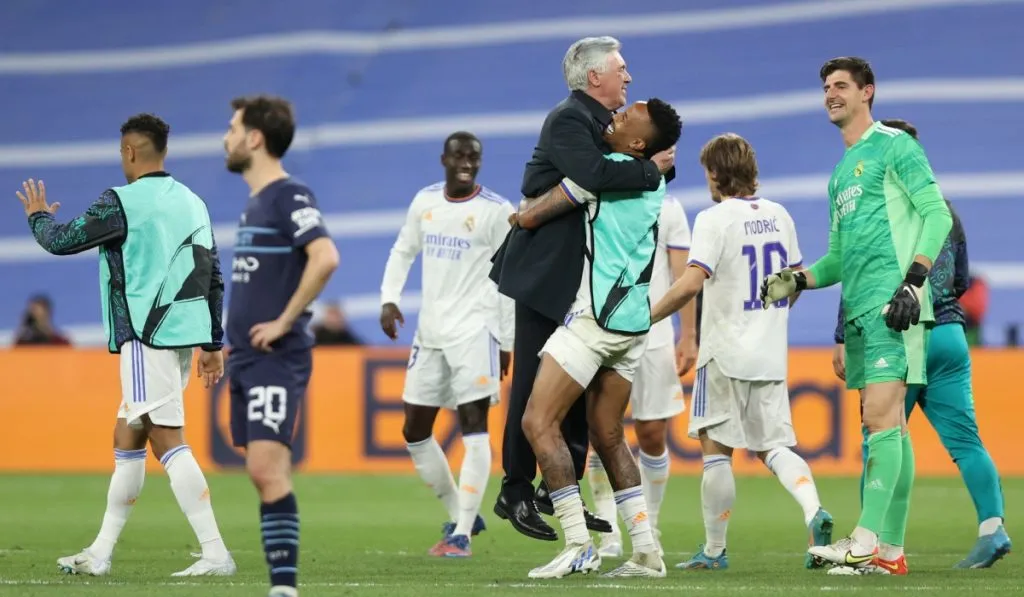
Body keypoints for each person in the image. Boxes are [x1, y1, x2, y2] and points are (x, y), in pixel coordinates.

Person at [761, 57, 953, 571]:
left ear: (867, 92)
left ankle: (864, 540)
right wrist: (801, 279)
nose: (831, 93)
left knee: (881, 420)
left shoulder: (895, 145)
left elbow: (937, 214)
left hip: (896, 306)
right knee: (889, 429)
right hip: (861, 311)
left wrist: (913, 281)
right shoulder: (840, 174)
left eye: (841, 85)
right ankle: (889, 552)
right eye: (826, 86)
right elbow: (840, 258)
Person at [22, 114, 234, 577]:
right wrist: (212, 343)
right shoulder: (192, 202)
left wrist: (38, 216)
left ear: (130, 152)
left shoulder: (120, 202)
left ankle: (215, 552)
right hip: (180, 337)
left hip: (144, 336)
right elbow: (213, 274)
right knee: (127, 436)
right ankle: (100, 552)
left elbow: (62, 241)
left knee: (167, 440)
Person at [489, 35, 675, 543]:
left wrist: (653, 162)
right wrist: (649, 167)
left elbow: (648, 162)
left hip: (577, 276)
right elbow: (595, 173)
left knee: (575, 385)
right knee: (533, 383)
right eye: (621, 69)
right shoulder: (569, 119)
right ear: (595, 77)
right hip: (543, 270)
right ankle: (514, 489)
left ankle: (558, 486)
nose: (628, 77)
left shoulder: (606, 123)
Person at [832, 119, 1010, 572]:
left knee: (883, 434)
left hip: (904, 330)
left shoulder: (882, 208)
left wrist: (842, 334)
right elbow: (963, 280)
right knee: (966, 442)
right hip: (951, 334)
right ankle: (993, 527)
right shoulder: (946, 211)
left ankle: (876, 547)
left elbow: (861, 274)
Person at [513, 98, 682, 579]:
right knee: (608, 435)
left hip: (595, 321)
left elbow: (533, 213)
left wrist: (522, 216)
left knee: (537, 421)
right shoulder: (654, 184)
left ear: (636, 143)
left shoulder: (600, 177)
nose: (615, 116)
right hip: (634, 326)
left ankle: (578, 544)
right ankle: (647, 551)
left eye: (626, 118)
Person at [649, 133, 833, 571]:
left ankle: (715, 551)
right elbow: (795, 282)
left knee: (716, 451)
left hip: (724, 353)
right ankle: (814, 510)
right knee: (773, 447)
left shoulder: (714, 219)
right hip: (769, 353)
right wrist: (769, 319)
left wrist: (647, 317)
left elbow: (691, 283)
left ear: (715, 173)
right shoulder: (779, 215)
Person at [222, 95, 340, 597]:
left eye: (232, 129)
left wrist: (283, 322)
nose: (225, 138)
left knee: (267, 470)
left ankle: (284, 589)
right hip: (247, 357)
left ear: (255, 139)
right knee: (259, 469)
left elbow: (325, 256)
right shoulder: (257, 202)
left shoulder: (289, 194)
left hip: (274, 356)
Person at [379, 131, 514, 558]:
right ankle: (462, 514)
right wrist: (388, 299)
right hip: (431, 333)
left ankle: (461, 536)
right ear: (444, 159)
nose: (466, 163)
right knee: (414, 430)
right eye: (459, 156)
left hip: (476, 331)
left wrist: (506, 339)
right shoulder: (425, 201)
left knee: (474, 425)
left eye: (473, 157)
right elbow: (403, 250)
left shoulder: (497, 211)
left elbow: (511, 278)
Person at [586, 191, 697, 558]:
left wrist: (689, 335)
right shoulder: (603, 197)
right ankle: (609, 533)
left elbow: (682, 276)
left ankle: (650, 526)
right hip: (603, 332)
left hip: (654, 336)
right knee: (601, 432)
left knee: (651, 434)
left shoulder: (669, 207)